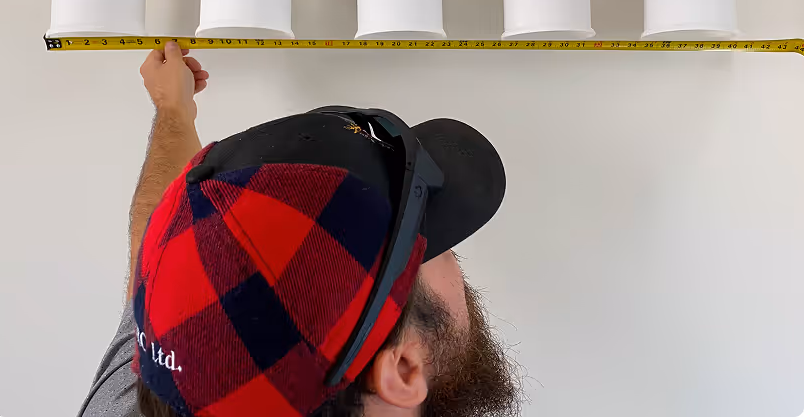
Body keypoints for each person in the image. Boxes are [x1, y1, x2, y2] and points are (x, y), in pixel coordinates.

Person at [77, 42, 521, 417]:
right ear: (403, 368)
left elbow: (160, 234)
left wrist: (173, 110)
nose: (457, 260)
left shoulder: (166, 376)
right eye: (436, 245)